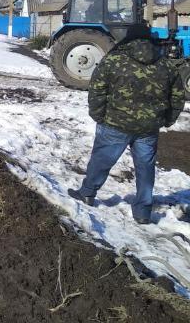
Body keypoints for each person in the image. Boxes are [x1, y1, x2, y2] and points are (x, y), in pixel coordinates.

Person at [68, 26, 185, 224]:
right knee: (146, 168)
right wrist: (167, 119)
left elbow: (97, 90)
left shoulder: (113, 60)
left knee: (102, 160)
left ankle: (88, 193)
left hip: (115, 124)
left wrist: (98, 115)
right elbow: (177, 97)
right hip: (148, 128)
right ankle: (143, 212)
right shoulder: (166, 64)